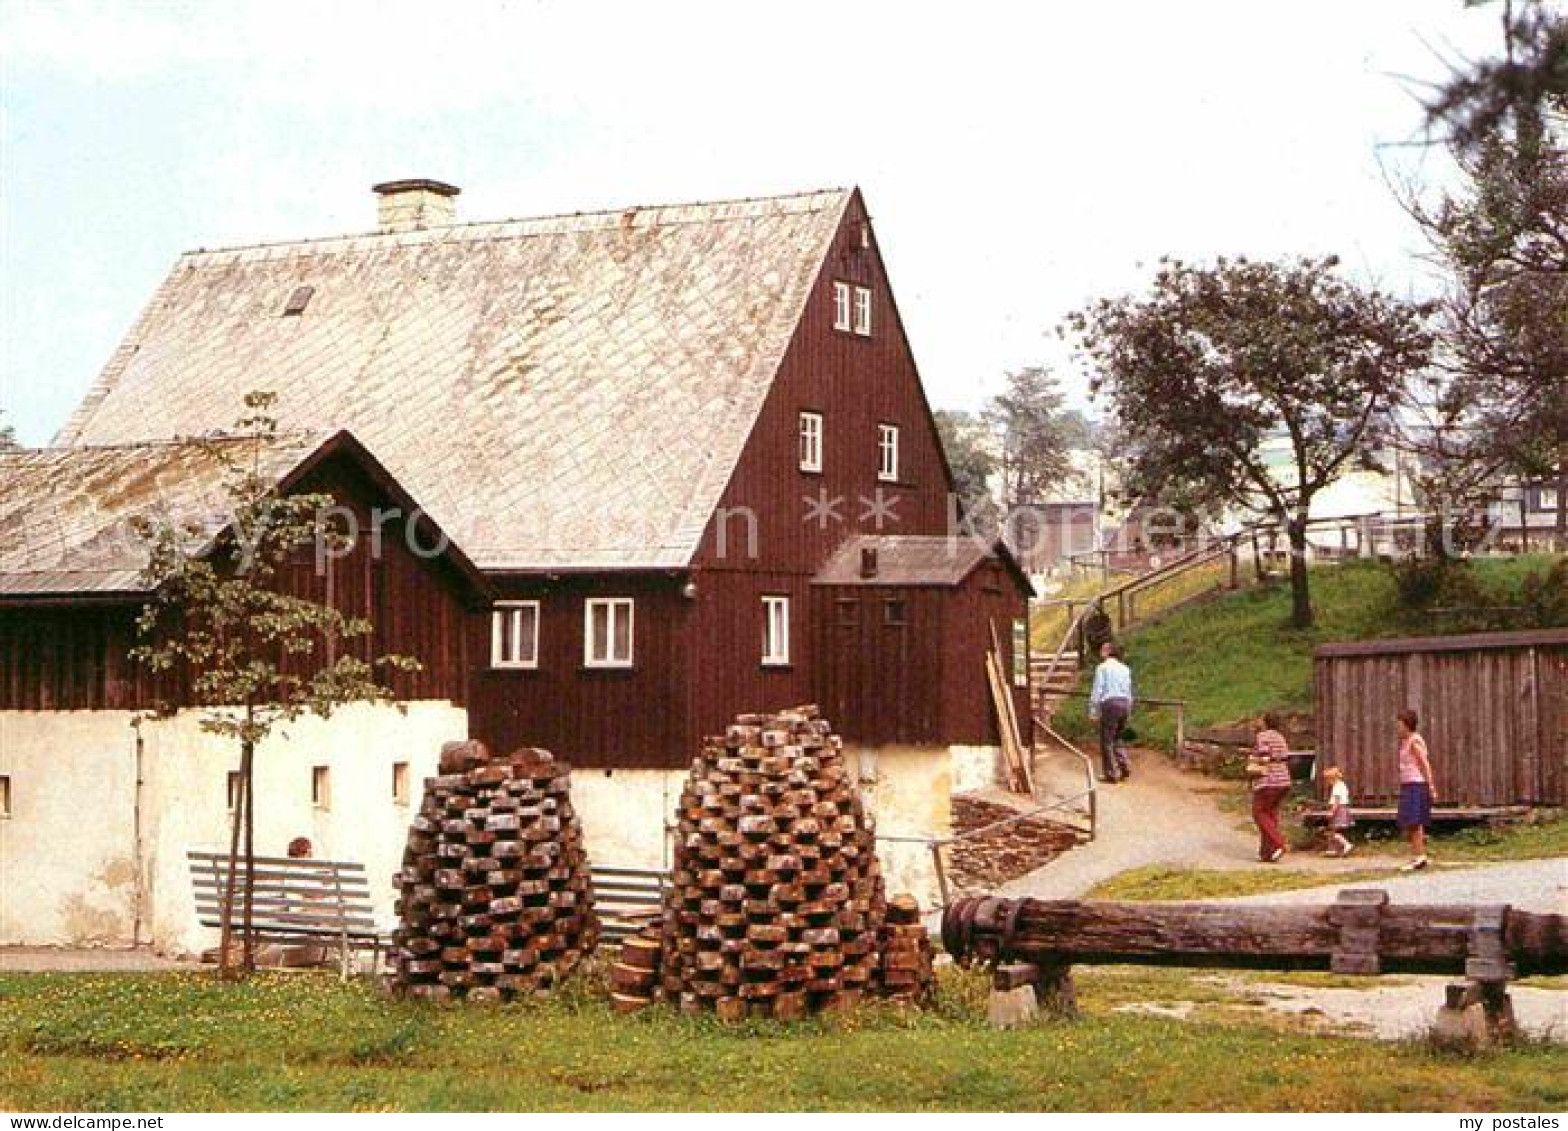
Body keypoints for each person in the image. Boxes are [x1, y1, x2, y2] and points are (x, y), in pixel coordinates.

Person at [1396, 708, 1437, 871]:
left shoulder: (1415, 741)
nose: (1398, 728)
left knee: (1415, 821)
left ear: (1407, 725)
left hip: (1416, 783)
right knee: (1409, 822)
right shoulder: (1404, 742)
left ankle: (1420, 856)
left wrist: (1431, 785)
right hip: (1407, 783)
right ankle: (1418, 855)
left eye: (1400, 725)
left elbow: (1424, 764)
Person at [1248, 711, 1292, 863]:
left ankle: (1279, 843)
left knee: (1258, 812)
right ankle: (1267, 853)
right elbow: (1285, 756)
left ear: (1265, 722)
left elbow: (1265, 757)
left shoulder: (1263, 736)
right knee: (1271, 814)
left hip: (1269, 780)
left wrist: (1253, 759)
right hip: (1284, 779)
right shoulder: (1280, 737)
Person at [1088, 641, 1133, 783]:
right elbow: (1128, 690)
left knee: (1106, 740)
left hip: (1110, 704)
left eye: (1103, 649)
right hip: (1124, 703)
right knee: (1118, 738)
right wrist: (1129, 709)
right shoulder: (1125, 669)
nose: (1101, 651)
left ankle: (1111, 773)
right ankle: (1125, 767)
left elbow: (1098, 690)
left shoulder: (1102, 668)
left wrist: (1093, 711)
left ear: (1108, 652)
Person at [1321, 766, 1355, 858]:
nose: (1327, 783)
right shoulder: (1342, 784)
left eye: (1327, 780)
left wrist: (1331, 812)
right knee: (1336, 831)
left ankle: (1347, 845)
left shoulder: (1337, 787)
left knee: (1333, 831)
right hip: (1344, 809)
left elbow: (1336, 801)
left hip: (1339, 810)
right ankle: (1334, 850)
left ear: (1332, 779)